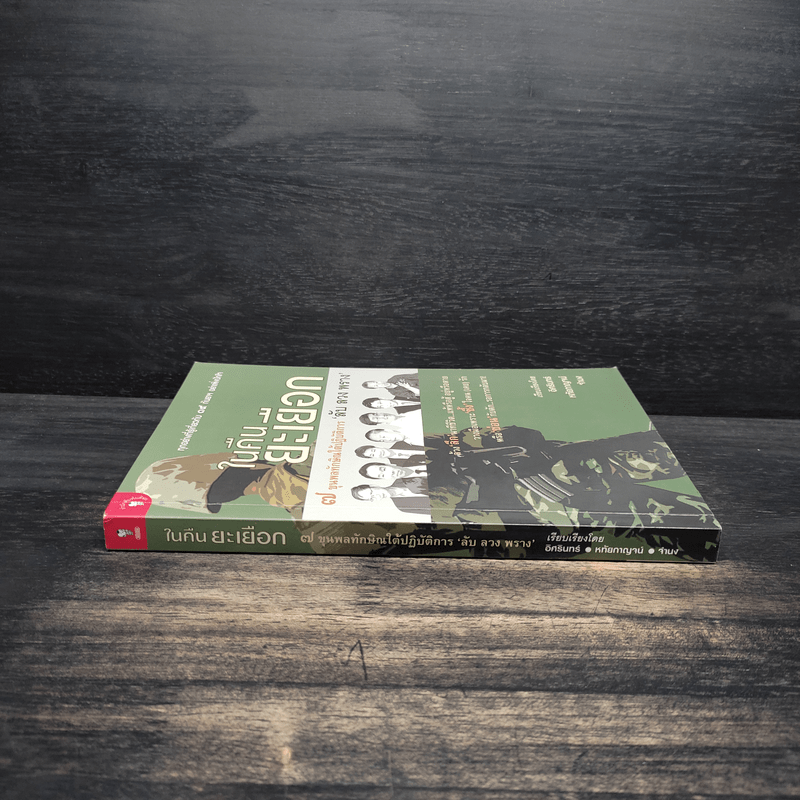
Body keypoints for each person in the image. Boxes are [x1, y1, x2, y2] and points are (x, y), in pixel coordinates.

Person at [351, 483, 429, 515]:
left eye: (372, 492)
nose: (378, 496)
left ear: (374, 486)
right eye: (372, 498)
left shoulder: (403, 480)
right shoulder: (402, 507)